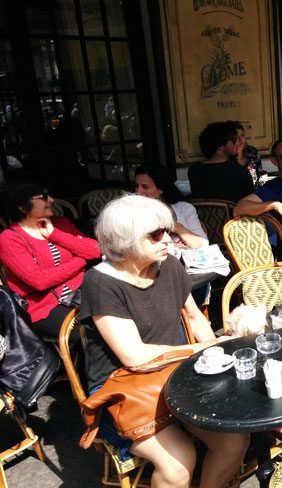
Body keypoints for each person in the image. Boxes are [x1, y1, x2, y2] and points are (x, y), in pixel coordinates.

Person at [79, 194, 248, 487]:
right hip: (124, 388)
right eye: (156, 235)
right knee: (179, 464)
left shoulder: (168, 264)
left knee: (234, 441)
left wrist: (216, 359)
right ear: (124, 240)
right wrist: (198, 349)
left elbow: (194, 318)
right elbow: (135, 358)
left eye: (167, 231)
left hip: (175, 373)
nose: (167, 240)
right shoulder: (100, 282)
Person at [0, 182, 100, 338]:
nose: (52, 200)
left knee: (117, 315)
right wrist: (81, 261)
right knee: (91, 332)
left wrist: (56, 235)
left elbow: (95, 250)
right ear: (21, 206)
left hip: (83, 290)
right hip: (45, 306)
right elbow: (39, 281)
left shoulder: (60, 224)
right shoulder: (10, 239)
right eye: (44, 197)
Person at [135, 164, 208, 250]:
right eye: (136, 186)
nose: (138, 191)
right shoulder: (133, 212)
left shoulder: (184, 209)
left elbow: (203, 245)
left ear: (161, 189)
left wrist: (176, 227)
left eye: (145, 187)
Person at [188, 121, 254, 202]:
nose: (237, 143)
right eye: (234, 140)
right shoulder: (239, 172)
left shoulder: (194, 170)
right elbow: (251, 200)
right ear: (220, 145)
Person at [231, 121, 265, 187]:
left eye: (242, 135)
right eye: (235, 137)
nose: (240, 139)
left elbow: (260, 173)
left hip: (254, 193)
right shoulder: (225, 157)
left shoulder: (252, 152)